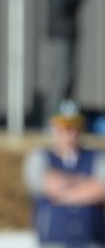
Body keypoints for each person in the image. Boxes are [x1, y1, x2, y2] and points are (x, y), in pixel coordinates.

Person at [23, 102, 105, 248]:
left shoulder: (97, 157)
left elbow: (101, 190)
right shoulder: (40, 157)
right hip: (54, 241)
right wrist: (85, 183)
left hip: (92, 240)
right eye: (64, 126)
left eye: (74, 126)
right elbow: (44, 184)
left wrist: (63, 194)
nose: (69, 131)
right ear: (53, 127)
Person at [44, 0, 91, 122]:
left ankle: (65, 117)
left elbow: (76, 0)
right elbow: (60, 5)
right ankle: (51, 120)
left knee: (70, 77)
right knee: (60, 78)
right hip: (60, 35)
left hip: (70, 34)